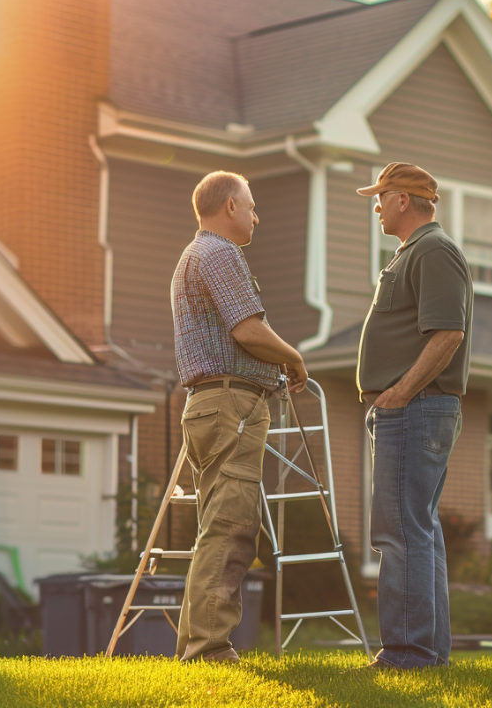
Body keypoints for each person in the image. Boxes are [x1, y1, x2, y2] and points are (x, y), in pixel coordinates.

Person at [170, 170, 308, 663]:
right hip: (231, 404)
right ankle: (208, 648)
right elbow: (248, 330)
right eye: (250, 205)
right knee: (231, 525)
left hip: (208, 405)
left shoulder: (193, 256)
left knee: (216, 524)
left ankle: (194, 644)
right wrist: (292, 357)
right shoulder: (220, 253)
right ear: (229, 206)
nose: (256, 214)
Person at [356, 163, 473, 669]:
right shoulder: (416, 252)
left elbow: (448, 333)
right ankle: (428, 653)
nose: (376, 205)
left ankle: (408, 653)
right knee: (416, 530)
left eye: (381, 196)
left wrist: (401, 392)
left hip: (417, 408)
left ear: (404, 199)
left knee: (399, 530)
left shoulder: (433, 250)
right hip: (414, 408)